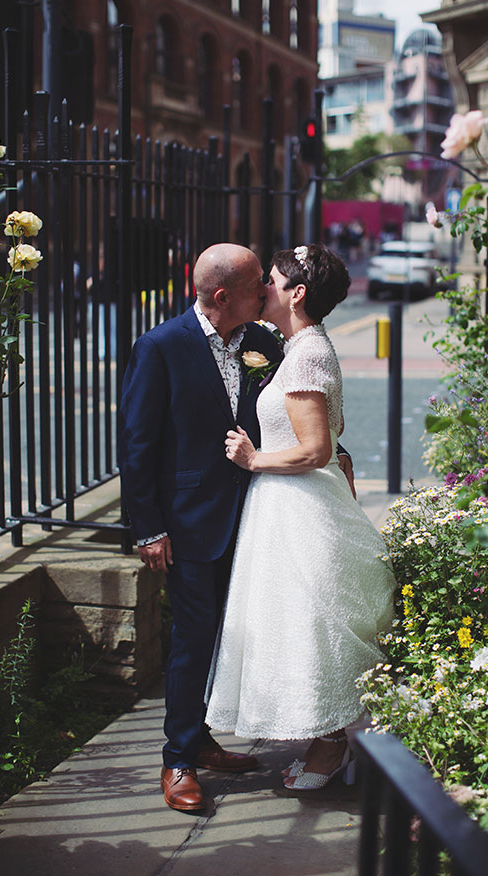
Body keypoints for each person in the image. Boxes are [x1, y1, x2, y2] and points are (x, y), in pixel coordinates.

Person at [205, 243, 396, 789]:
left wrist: (253, 457)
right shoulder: (300, 346)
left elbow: (314, 449)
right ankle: (327, 739)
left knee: (311, 621)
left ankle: (333, 744)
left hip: (301, 502)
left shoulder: (308, 352)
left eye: (271, 279)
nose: (263, 286)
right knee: (297, 621)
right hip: (288, 503)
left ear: (298, 292)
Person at [118, 243, 283, 812]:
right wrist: (148, 528)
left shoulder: (262, 342)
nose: (264, 291)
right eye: (257, 283)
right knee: (192, 639)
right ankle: (178, 759)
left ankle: (204, 738)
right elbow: (138, 447)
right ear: (222, 295)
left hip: (259, 514)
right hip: (188, 526)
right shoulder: (160, 348)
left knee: (233, 634)